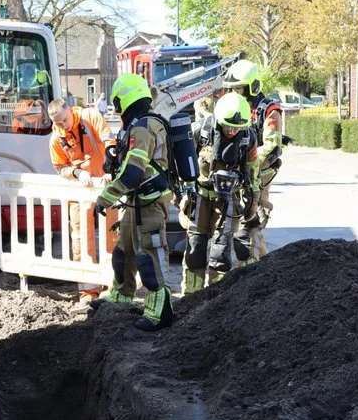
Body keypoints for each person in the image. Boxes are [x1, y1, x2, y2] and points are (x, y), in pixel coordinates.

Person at [91, 73, 174, 331]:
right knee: (123, 253)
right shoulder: (139, 125)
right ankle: (121, 297)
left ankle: (161, 310)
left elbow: (133, 172)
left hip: (149, 204)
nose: (116, 109)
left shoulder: (143, 127)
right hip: (137, 202)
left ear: (124, 100)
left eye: (117, 103)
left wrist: (105, 198)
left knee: (150, 257)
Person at [181, 92, 259, 294]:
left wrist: (253, 200)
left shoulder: (248, 138)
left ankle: (216, 297)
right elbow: (183, 163)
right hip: (200, 197)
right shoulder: (201, 130)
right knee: (195, 248)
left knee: (221, 251)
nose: (232, 131)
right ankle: (190, 294)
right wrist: (179, 194)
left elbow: (252, 170)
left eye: (237, 128)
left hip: (228, 201)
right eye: (228, 126)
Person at [47, 98, 118, 306]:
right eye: (57, 123)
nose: (62, 125)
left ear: (69, 110)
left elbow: (108, 141)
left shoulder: (89, 117)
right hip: (80, 190)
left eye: (64, 120)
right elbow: (60, 167)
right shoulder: (55, 139)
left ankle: (111, 284)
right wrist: (77, 172)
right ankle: (88, 292)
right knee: (80, 238)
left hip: (105, 184)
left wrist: (109, 169)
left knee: (112, 234)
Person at [222, 59, 285, 265]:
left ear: (251, 87)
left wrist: (249, 160)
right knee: (242, 225)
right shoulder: (233, 107)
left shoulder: (268, 111)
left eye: (237, 88)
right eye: (231, 89)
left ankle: (250, 269)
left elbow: (271, 146)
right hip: (236, 175)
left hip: (259, 175)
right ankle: (266, 269)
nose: (233, 93)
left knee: (253, 223)